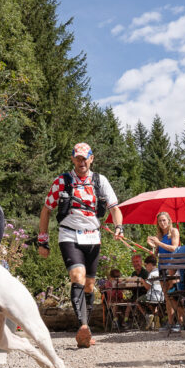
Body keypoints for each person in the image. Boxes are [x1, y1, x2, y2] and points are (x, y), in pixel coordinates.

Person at [38, 143, 123, 348]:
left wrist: (119, 227)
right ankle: (83, 326)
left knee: (89, 285)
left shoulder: (100, 181)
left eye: (84, 158)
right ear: (72, 159)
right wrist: (43, 240)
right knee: (77, 276)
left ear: (91, 159)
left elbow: (114, 208)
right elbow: (46, 210)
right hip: (69, 234)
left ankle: (86, 329)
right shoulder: (62, 181)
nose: (81, 162)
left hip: (92, 237)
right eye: (78, 158)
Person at [146, 212, 180, 331]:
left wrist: (158, 243)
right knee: (166, 296)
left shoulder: (174, 232)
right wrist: (153, 247)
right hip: (162, 267)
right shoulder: (159, 236)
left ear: (169, 220)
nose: (162, 223)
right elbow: (156, 255)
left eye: (164, 220)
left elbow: (174, 248)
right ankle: (170, 323)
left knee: (173, 295)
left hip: (173, 267)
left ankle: (180, 321)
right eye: (160, 221)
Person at [138, 255, 164, 329]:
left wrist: (142, 281)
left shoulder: (151, 274)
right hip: (162, 296)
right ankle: (156, 321)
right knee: (154, 305)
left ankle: (147, 316)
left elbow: (147, 287)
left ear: (149, 264)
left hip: (153, 296)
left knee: (137, 301)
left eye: (146, 265)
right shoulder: (159, 272)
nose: (145, 268)